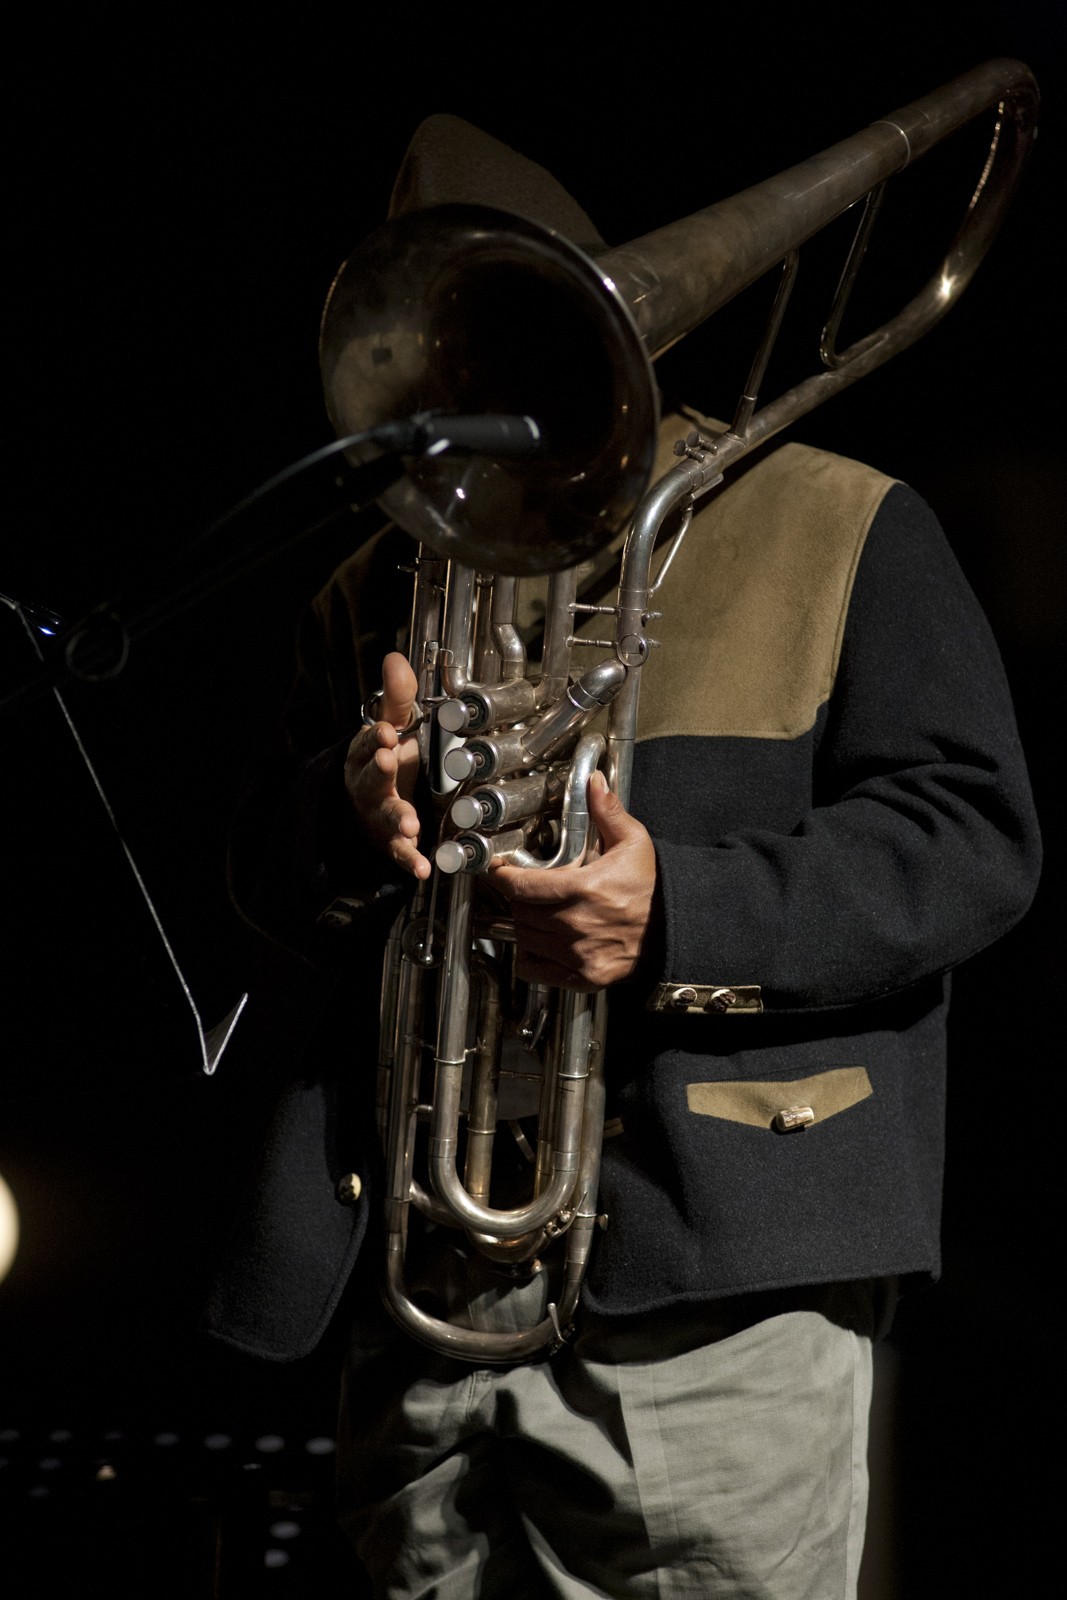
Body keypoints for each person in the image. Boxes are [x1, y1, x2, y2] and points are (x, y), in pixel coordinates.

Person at [206, 115, 1041, 1598]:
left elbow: (974, 842)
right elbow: (265, 887)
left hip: (714, 1294)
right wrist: (352, 812)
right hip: (419, 1301)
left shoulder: (839, 521)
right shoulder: (370, 586)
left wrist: (682, 909)